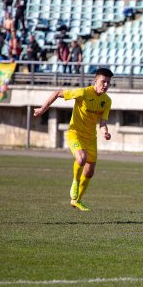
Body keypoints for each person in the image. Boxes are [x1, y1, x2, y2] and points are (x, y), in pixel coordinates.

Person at [33, 68, 114, 211]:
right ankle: (75, 182)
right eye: (103, 81)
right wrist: (42, 109)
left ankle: (77, 201)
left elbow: (102, 123)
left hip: (91, 138)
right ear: (95, 80)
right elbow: (58, 93)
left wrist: (105, 132)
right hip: (75, 133)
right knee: (81, 158)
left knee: (89, 172)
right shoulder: (83, 92)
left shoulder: (107, 101)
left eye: (108, 82)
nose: (106, 85)